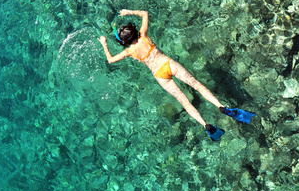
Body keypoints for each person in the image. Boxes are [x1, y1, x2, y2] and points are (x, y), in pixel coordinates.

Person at [97, 9, 255, 141]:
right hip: (168, 63)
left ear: (123, 41)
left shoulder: (129, 52)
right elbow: (145, 14)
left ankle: (206, 126)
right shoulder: (144, 36)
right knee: (197, 85)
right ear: (134, 31)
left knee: (185, 102)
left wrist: (104, 43)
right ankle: (222, 107)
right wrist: (128, 12)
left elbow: (110, 60)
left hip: (159, 74)